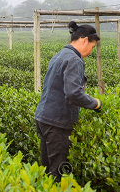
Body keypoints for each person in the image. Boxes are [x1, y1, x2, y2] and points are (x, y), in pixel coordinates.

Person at [34, 21, 102, 182]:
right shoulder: (74, 60)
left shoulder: (60, 54)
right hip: (57, 122)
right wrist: (95, 104)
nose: (91, 52)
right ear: (84, 40)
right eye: (92, 47)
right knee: (58, 172)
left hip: (44, 118)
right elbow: (73, 93)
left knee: (47, 168)